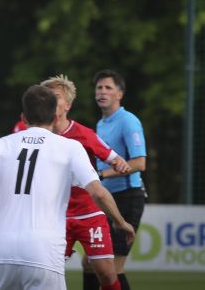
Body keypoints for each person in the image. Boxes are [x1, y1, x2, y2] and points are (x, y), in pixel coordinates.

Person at [0, 85, 135, 290]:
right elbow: (98, 193)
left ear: (23, 117)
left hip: (2, 254)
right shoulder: (70, 147)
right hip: (43, 253)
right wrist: (120, 222)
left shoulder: (0, 144)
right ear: (55, 118)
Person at [41, 75, 131, 290]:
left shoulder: (83, 134)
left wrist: (120, 164)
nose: (50, 101)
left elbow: (113, 157)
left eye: (56, 97)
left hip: (88, 213)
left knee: (107, 273)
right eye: (46, 97)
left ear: (68, 105)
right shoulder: (36, 136)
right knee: (45, 273)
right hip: (53, 216)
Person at [94, 70, 147, 290]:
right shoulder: (101, 123)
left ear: (120, 94)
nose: (102, 92)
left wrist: (102, 175)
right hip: (108, 198)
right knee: (91, 263)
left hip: (128, 197)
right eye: (99, 87)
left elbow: (139, 163)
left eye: (108, 88)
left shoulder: (128, 121)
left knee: (112, 269)